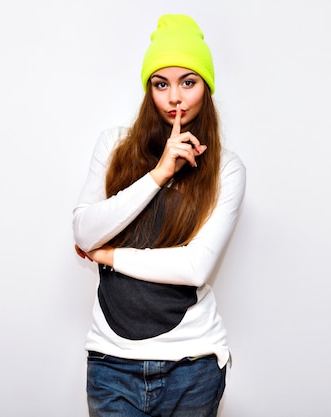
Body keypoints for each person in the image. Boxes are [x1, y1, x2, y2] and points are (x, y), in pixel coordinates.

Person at [72, 13, 246, 417]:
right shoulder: (114, 145)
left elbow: (194, 267)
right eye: (161, 84)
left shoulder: (226, 169)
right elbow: (84, 231)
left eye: (188, 82)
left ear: (206, 87)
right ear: (148, 90)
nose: (175, 98)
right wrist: (158, 174)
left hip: (193, 363)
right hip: (111, 362)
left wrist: (109, 255)